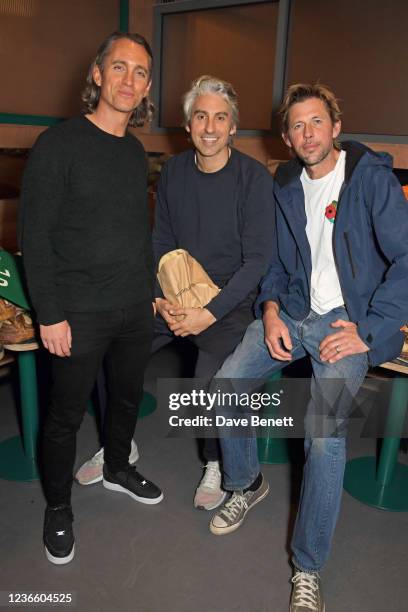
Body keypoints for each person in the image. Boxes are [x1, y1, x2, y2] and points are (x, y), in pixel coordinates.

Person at [208, 83, 408, 611]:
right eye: (297, 125)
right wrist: (271, 310)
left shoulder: (370, 180)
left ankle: (308, 566)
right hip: (293, 312)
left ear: (335, 127)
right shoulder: (287, 184)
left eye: (316, 121)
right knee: (226, 386)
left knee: (323, 434)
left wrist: (368, 329)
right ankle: (246, 483)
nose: (307, 133)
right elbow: (275, 263)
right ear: (286, 137)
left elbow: (407, 258)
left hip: (348, 323)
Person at [75, 75, 275, 511]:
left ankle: (216, 462)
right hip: (174, 294)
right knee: (114, 346)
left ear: (233, 127)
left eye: (220, 118)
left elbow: (257, 262)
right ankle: (119, 446)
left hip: (229, 303)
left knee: (209, 381)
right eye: (200, 116)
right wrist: (158, 298)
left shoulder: (254, 179)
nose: (209, 127)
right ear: (187, 126)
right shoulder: (175, 172)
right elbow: (161, 241)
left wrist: (209, 313)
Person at [19, 31, 163, 566]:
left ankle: (118, 466)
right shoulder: (58, 143)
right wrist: (50, 313)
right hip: (77, 312)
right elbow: (34, 235)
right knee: (65, 417)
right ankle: (58, 506)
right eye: (120, 67)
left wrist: (148, 290)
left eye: (141, 71)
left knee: (125, 402)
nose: (130, 80)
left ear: (147, 86)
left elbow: (133, 229)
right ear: (98, 74)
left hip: (132, 307)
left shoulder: (132, 150)